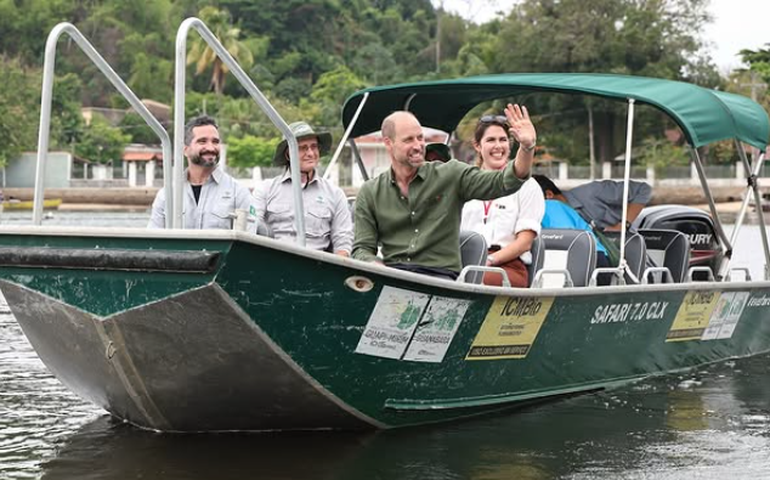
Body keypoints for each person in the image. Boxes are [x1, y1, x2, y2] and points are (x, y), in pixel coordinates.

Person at [352, 105, 537, 280]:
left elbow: (504, 182)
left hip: (440, 279)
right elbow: (361, 249)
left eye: (420, 138)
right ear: (388, 143)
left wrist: (527, 148)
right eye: (408, 140)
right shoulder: (370, 192)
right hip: (393, 277)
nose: (418, 145)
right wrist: (377, 267)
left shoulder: (451, 174)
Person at [461, 116, 545, 287]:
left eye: (503, 140)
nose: (498, 146)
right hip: (465, 260)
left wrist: (489, 260)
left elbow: (525, 242)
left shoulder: (528, 186)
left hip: (507, 266)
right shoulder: (464, 181)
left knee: (469, 279)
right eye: (491, 140)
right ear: (477, 146)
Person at [253, 121, 353, 256]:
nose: (310, 153)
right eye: (302, 148)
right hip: (274, 262)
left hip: (316, 265)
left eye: (314, 146)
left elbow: (343, 242)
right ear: (288, 154)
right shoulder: (265, 189)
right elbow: (251, 226)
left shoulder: (335, 194)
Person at [148, 115, 256, 230]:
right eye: (202, 141)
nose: (211, 148)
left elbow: (249, 235)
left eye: (215, 142)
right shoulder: (167, 195)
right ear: (185, 150)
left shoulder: (238, 193)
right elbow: (153, 237)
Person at [533, 175, 611, 268]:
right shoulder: (560, 208)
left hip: (586, 258)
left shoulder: (550, 205)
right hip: (591, 256)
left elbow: (564, 238)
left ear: (549, 195)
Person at [535, 175, 651, 231]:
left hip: (623, 250)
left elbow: (643, 189)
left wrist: (623, 225)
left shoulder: (593, 192)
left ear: (549, 195)